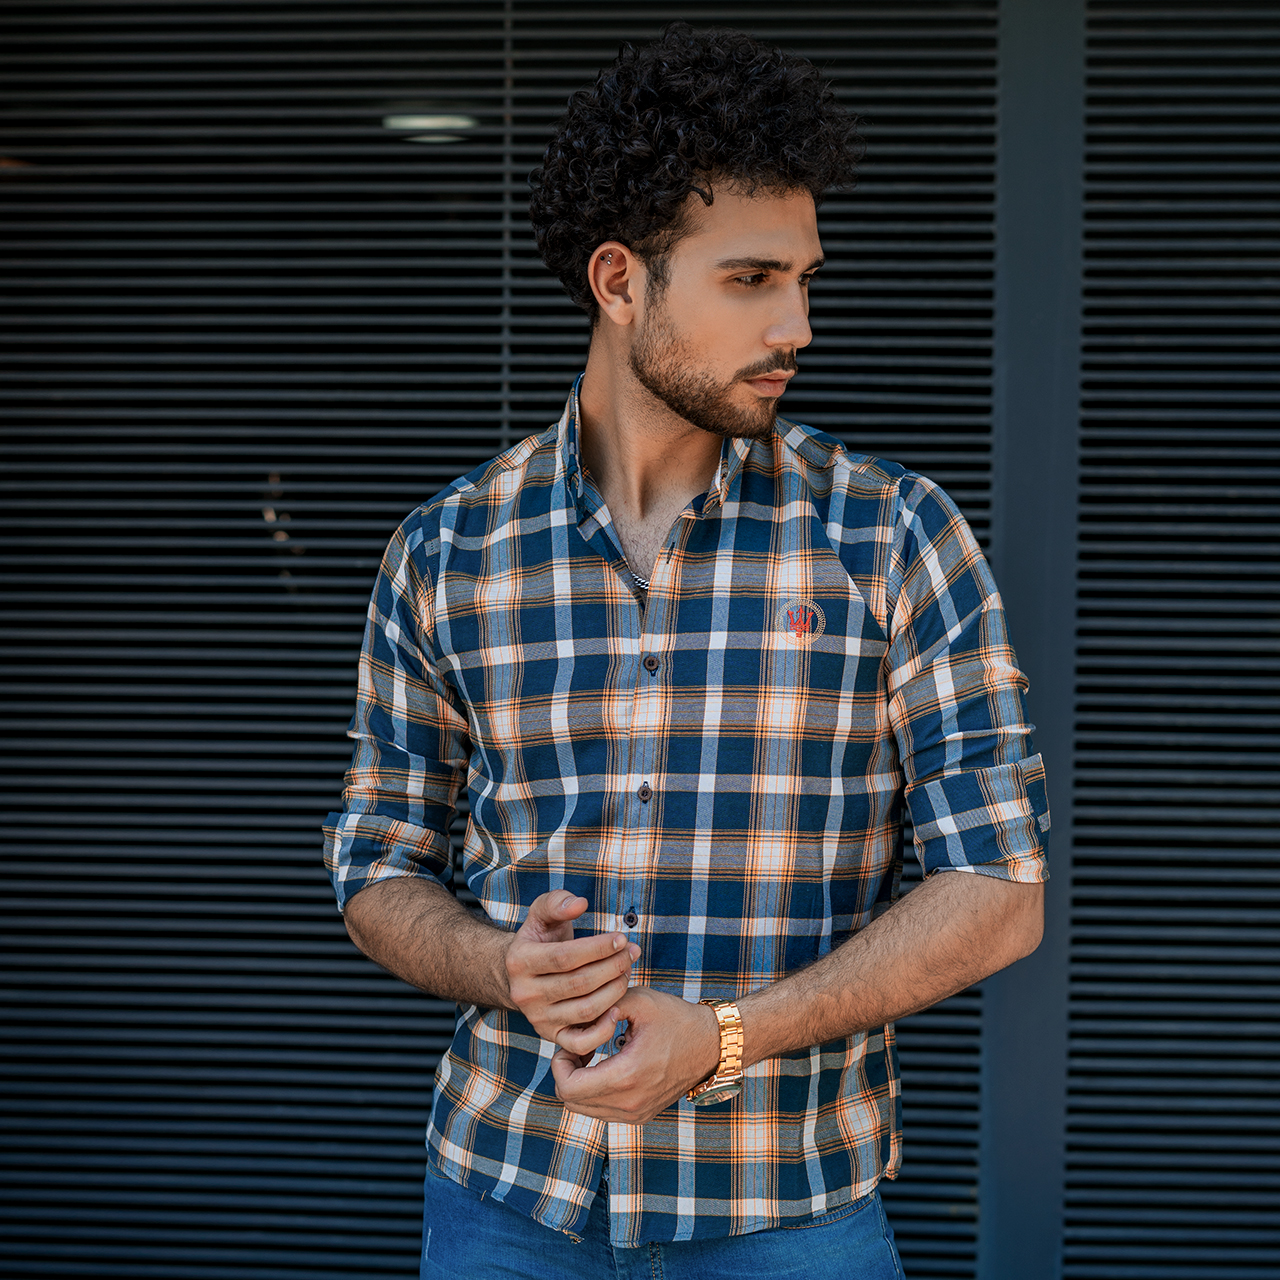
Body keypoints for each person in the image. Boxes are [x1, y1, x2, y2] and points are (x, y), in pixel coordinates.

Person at [323, 23, 1049, 1279]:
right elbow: (376, 863)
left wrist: (720, 1037)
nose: (797, 323)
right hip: (505, 1197)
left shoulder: (892, 536)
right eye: (751, 278)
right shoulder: (447, 549)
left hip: (789, 1210)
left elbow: (998, 890)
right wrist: (503, 964)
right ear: (620, 281)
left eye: (804, 279)